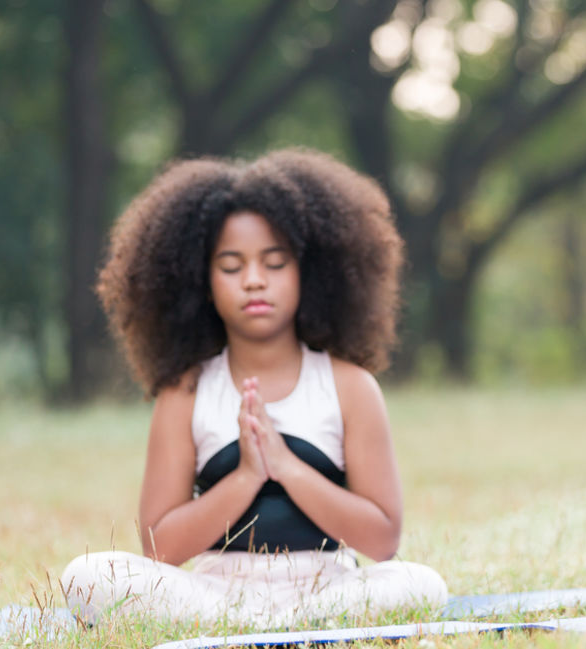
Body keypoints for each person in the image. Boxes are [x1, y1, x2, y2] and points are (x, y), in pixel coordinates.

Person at [61, 148, 447, 626]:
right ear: (201, 282)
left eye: (275, 263)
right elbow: (159, 549)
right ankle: (269, 630)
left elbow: (383, 540)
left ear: (310, 274)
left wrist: (285, 466)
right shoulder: (186, 392)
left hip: (328, 588)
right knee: (88, 576)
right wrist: (245, 475)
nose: (254, 281)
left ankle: (257, 631)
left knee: (420, 584)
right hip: (214, 592)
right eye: (231, 266)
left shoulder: (350, 386)